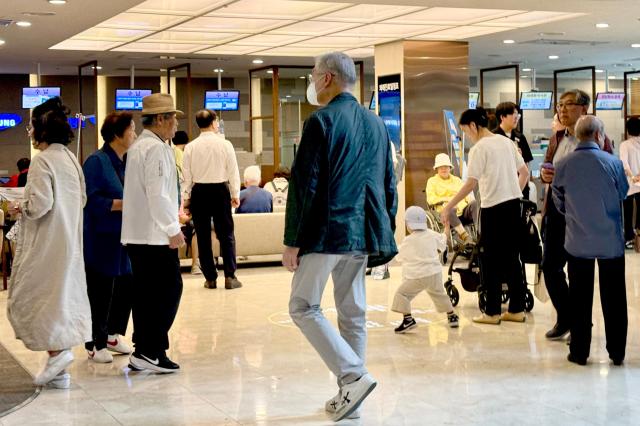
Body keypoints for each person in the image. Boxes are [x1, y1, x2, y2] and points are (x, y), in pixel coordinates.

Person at [284, 52, 397, 422]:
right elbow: (388, 184)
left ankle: (353, 376)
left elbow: (305, 185)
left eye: (314, 76)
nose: (313, 82)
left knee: (302, 306)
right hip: (364, 231)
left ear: (328, 78)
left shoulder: (320, 121)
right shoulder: (377, 124)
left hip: (327, 232)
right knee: (353, 314)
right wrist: (385, 226)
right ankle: (352, 397)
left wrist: (292, 240)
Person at [7, 97, 91, 389]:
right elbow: (81, 198)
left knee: (39, 297)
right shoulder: (69, 158)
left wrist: (21, 208)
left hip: (45, 242)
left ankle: (57, 354)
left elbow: (40, 205)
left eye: (30, 126)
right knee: (61, 298)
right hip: (69, 240)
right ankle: (59, 371)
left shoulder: (42, 161)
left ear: (40, 129)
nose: (28, 132)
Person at [441, 107, 529, 324]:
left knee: (489, 260)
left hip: (494, 209)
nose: (467, 137)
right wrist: (513, 192)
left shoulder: (480, 148)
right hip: (514, 205)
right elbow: (525, 173)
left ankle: (492, 312)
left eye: (466, 132)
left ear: (473, 126)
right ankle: (517, 309)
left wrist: (449, 206)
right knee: (512, 259)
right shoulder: (506, 143)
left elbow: (471, 182)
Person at [551, 115, 628, 366]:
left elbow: (558, 201)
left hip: (578, 242)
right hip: (610, 242)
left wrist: (575, 214)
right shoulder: (613, 162)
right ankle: (616, 352)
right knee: (614, 298)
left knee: (579, 298)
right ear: (598, 136)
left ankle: (580, 352)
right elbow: (623, 192)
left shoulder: (563, 164)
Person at [540, 89, 614, 340]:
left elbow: (608, 172)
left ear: (584, 109)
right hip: (556, 212)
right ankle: (567, 316)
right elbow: (547, 169)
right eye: (560, 104)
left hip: (582, 215)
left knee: (577, 271)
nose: (562, 109)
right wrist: (544, 176)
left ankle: (580, 324)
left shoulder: (598, 137)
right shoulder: (557, 138)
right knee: (550, 267)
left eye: (569, 104)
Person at [121, 93, 185, 373]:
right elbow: (158, 195)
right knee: (168, 290)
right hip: (153, 235)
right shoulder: (157, 149)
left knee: (146, 295)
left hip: (138, 235)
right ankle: (150, 349)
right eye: (172, 118)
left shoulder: (139, 146)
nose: (175, 124)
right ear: (160, 119)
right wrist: (173, 229)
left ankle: (146, 350)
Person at [82, 112, 135, 363]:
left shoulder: (127, 161)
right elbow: (89, 201)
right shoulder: (97, 161)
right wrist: (121, 204)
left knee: (126, 285)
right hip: (101, 235)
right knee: (100, 289)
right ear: (117, 134)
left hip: (125, 235)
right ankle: (95, 341)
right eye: (131, 130)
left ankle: (113, 334)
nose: (134, 134)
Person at [182, 109, 242, 290]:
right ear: (214, 122)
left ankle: (210, 278)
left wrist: (186, 198)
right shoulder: (225, 145)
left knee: (202, 236)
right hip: (220, 191)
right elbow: (233, 172)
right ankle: (230, 276)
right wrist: (235, 194)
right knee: (226, 235)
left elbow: (187, 177)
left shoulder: (190, 147)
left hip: (199, 193)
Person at [392, 206, 459, 333]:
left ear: (408, 224)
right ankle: (452, 316)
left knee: (402, 294)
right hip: (434, 273)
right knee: (439, 294)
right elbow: (443, 241)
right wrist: (446, 227)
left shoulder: (408, 240)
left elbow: (399, 257)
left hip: (417, 276)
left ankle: (408, 320)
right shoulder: (432, 235)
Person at [426, 153, 477, 245]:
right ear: (436, 169)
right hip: (446, 213)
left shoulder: (457, 180)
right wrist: (448, 200)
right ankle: (465, 237)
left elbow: (466, 194)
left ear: (450, 167)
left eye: (446, 166)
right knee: (449, 209)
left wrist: (471, 200)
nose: (444, 169)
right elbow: (430, 199)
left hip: (463, 211)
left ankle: (480, 232)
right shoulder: (432, 181)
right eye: (441, 167)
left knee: (474, 204)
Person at [172, 130, 200, 274]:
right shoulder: (183, 155)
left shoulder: (170, 153)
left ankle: (177, 267)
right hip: (178, 212)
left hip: (178, 209)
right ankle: (196, 264)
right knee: (195, 228)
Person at [492, 102, 532, 199]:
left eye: (517, 114)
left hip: (520, 185)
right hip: (501, 188)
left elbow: (526, 162)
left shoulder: (520, 137)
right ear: (502, 117)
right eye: (513, 114)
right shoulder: (492, 137)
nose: (516, 117)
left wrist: (527, 183)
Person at [619, 117, 640, 248]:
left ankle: (629, 238)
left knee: (627, 211)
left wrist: (632, 177)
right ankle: (639, 236)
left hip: (628, 184)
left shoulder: (624, 145)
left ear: (627, 130)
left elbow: (624, 163)